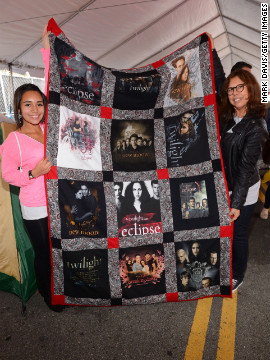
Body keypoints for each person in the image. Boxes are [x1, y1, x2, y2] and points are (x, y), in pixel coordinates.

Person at [0, 83, 63, 312]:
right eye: (28, 104)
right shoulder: (14, 140)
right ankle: (49, 295)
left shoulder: (50, 129)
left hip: (59, 201)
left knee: (59, 249)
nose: (34, 109)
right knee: (44, 253)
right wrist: (33, 173)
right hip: (35, 206)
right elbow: (7, 174)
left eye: (39, 104)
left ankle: (61, 289)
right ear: (19, 107)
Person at [218, 69, 268, 292]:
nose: (235, 93)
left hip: (244, 188)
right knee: (224, 231)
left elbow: (246, 169)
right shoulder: (228, 118)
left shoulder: (256, 126)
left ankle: (238, 274)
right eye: (231, 89)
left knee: (238, 233)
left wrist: (236, 203)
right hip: (226, 184)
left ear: (251, 90)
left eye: (240, 87)